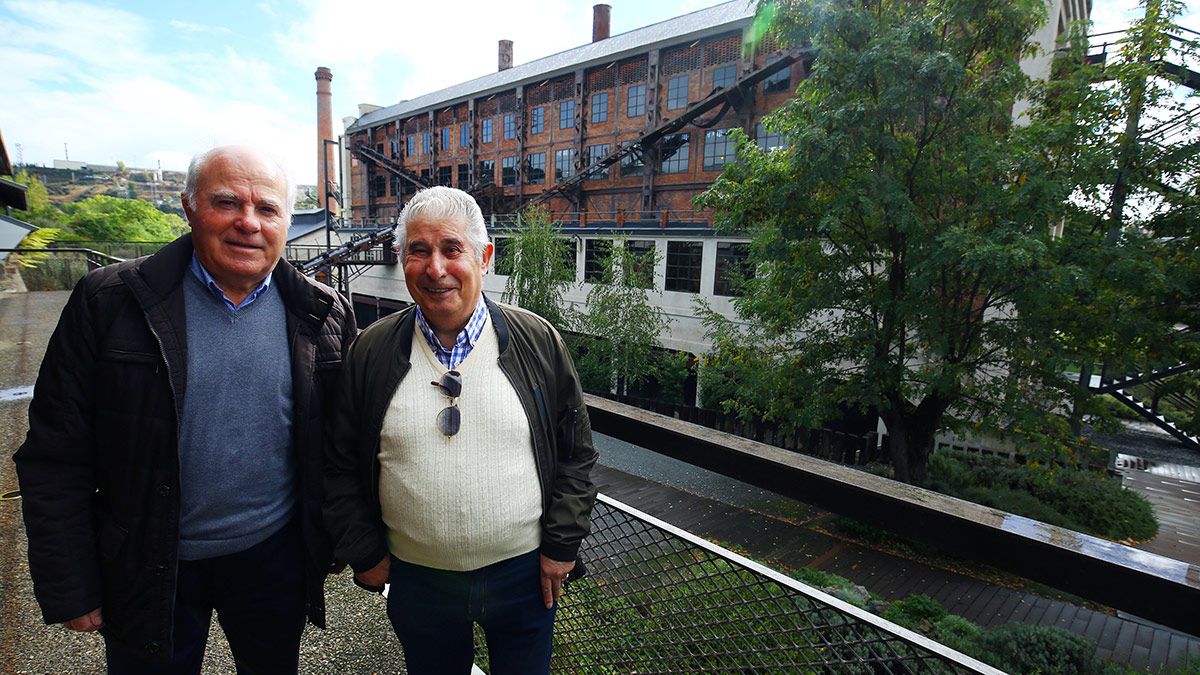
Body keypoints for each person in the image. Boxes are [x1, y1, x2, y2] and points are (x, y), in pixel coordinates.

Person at [14, 145, 357, 673]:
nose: (248, 222)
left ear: (287, 221)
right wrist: (70, 582)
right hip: (149, 558)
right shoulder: (110, 303)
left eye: (267, 209)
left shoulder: (322, 311)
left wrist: (332, 541)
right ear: (188, 207)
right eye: (227, 203)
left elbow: (340, 443)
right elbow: (56, 453)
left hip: (274, 556)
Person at [324, 186, 597, 674]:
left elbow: (576, 454)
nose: (435, 269)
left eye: (452, 249)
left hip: (524, 575)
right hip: (417, 580)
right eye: (418, 251)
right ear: (400, 259)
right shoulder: (371, 351)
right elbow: (338, 462)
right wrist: (363, 551)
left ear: (485, 257)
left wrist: (561, 547)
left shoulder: (537, 341)